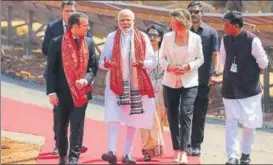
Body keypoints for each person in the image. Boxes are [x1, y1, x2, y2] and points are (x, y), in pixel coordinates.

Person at [99, 9, 157, 164]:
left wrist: (142, 64)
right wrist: (107, 64)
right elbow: (101, 62)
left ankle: (126, 154)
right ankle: (111, 151)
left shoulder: (143, 37)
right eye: (122, 20)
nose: (125, 23)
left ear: (133, 21)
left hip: (136, 85)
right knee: (113, 117)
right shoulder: (112, 38)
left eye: (127, 20)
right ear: (118, 22)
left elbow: (152, 61)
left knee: (133, 120)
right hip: (115, 84)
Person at [46, 12, 98, 164]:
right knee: (61, 125)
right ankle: (63, 156)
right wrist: (51, 92)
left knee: (77, 126)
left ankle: (73, 157)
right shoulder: (57, 42)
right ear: (75, 27)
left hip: (81, 92)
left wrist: (86, 80)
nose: (88, 27)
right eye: (85, 25)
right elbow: (51, 70)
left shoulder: (88, 42)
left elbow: (93, 68)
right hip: (62, 93)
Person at [219, 11, 269, 165]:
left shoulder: (252, 41)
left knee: (249, 123)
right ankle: (232, 157)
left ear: (235, 26)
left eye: (226, 24)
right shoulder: (225, 39)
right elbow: (223, 59)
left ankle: (246, 154)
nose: (224, 27)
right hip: (230, 87)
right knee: (231, 123)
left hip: (249, 90)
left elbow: (264, 63)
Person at [42, 0, 89, 154]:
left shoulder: (83, 27)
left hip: (78, 80)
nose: (69, 13)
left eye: (72, 10)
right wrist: (64, 48)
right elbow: (45, 49)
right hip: (59, 77)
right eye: (67, 11)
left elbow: (89, 47)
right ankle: (59, 142)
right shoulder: (53, 28)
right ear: (61, 12)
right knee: (60, 114)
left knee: (78, 115)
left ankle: (76, 144)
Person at [159, 9, 204, 164]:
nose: (172, 25)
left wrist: (188, 66)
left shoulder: (196, 39)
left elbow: (200, 59)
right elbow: (161, 58)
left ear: (184, 23)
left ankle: (184, 150)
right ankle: (176, 149)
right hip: (170, 80)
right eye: (171, 22)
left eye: (175, 22)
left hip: (189, 81)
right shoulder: (167, 37)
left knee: (185, 113)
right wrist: (169, 67)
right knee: (172, 115)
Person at [187, 1, 220, 156]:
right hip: (184, 80)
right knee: (184, 113)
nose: (193, 14)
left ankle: (196, 144)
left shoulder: (211, 33)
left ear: (202, 13)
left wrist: (215, 73)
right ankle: (185, 142)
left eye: (196, 11)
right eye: (191, 12)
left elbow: (216, 54)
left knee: (199, 114)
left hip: (202, 81)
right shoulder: (181, 30)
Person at [139, 24, 168, 162]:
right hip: (144, 89)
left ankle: (156, 146)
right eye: (149, 34)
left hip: (161, 90)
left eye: (155, 35)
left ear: (161, 37)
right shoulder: (142, 51)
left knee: (158, 119)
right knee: (146, 119)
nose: (152, 38)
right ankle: (146, 148)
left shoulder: (165, 53)